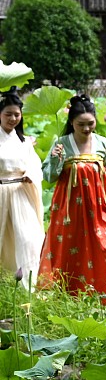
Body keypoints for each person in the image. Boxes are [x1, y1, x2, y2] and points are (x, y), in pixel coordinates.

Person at [38, 95, 106, 306]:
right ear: (71, 123)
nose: (86, 129)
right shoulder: (61, 144)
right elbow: (49, 177)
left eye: (90, 124)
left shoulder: (102, 143)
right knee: (69, 251)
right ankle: (70, 298)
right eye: (81, 125)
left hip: (99, 206)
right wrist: (56, 160)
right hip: (69, 209)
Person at [0, 91, 43, 290]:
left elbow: (35, 165)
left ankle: (28, 285)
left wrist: (31, 175)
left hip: (20, 193)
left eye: (16, 114)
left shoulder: (25, 142)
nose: (13, 119)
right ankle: (5, 284)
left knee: (27, 238)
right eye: (8, 114)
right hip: (1, 192)